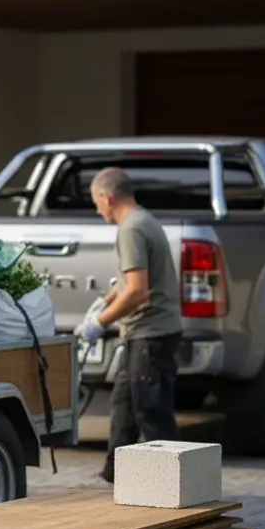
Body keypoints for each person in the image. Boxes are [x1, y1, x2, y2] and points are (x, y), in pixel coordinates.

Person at [74, 167, 184, 485]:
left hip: (151, 334)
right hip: (143, 333)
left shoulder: (131, 229)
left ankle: (177, 485)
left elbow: (137, 291)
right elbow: (127, 282)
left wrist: (99, 323)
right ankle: (113, 476)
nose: (98, 210)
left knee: (152, 410)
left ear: (107, 197)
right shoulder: (143, 220)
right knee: (123, 404)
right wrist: (104, 303)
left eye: (96, 202)